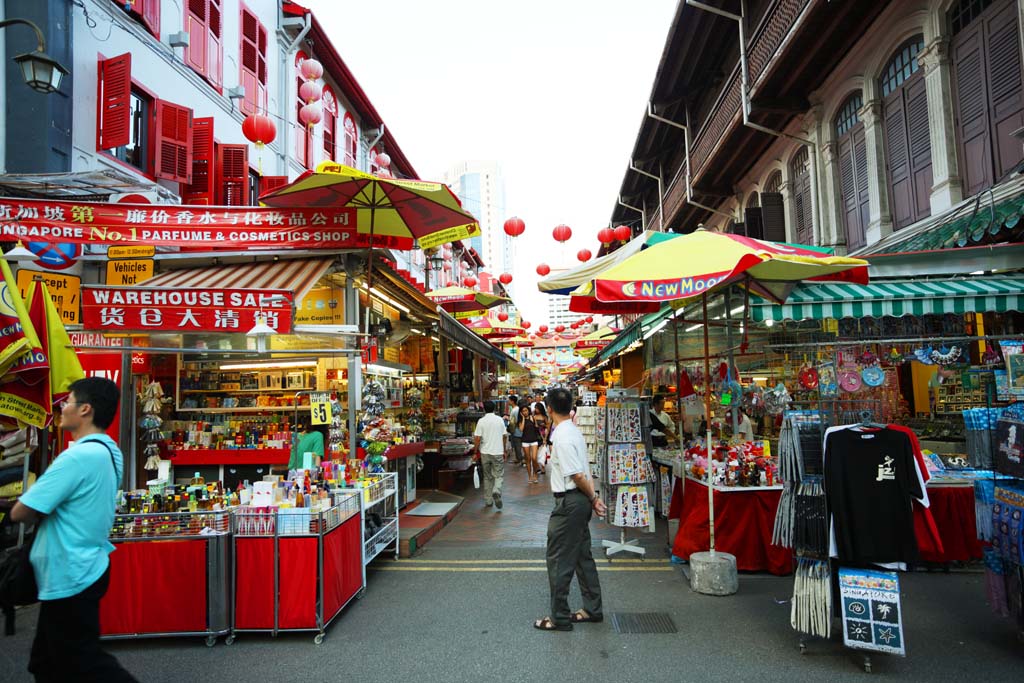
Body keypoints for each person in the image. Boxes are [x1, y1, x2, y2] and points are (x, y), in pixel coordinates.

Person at [11, 377, 138, 681]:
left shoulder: (77, 456)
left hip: (70, 569)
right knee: (48, 662)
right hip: (86, 564)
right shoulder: (110, 452)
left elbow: (21, 511)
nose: (62, 407)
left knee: (83, 660)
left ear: (85, 409)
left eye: (67, 401)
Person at [533, 387, 605, 631]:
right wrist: (593, 499)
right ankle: (593, 609)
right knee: (583, 557)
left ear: (549, 409)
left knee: (559, 560)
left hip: (570, 503)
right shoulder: (573, 432)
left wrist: (593, 497)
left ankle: (559, 617)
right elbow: (585, 470)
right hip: (579, 501)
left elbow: (576, 474)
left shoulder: (562, 437)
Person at [473, 400, 508, 510]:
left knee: (487, 477)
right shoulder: (499, 420)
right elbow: (504, 436)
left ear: (484, 409)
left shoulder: (481, 421)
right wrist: (504, 450)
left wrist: (475, 451)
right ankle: (496, 490)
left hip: (485, 452)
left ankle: (488, 500)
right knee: (498, 474)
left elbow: (477, 438)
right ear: (494, 409)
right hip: (497, 451)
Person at [520, 398, 542, 484]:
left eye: (526, 410)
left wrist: (535, 422)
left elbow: (537, 428)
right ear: (521, 412)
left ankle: (535, 474)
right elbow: (521, 429)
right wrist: (523, 419)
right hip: (525, 441)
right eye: (523, 411)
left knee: (534, 458)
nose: (525, 412)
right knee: (528, 459)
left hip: (534, 440)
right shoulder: (521, 420)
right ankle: (530, 476)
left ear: (528, 410)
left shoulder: (533, 417)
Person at [533, 403, 550, 477]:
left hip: (543, 434)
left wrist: (545, 438)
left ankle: (543, 467)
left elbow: (548, 426)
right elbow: (534, 426)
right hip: (536, 435)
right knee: (535, 453)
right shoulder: (534, 417)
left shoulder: (544, 417)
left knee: (543, 452)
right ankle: (537, 466)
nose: (536, 410)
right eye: (535, 408)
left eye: (537, 408)